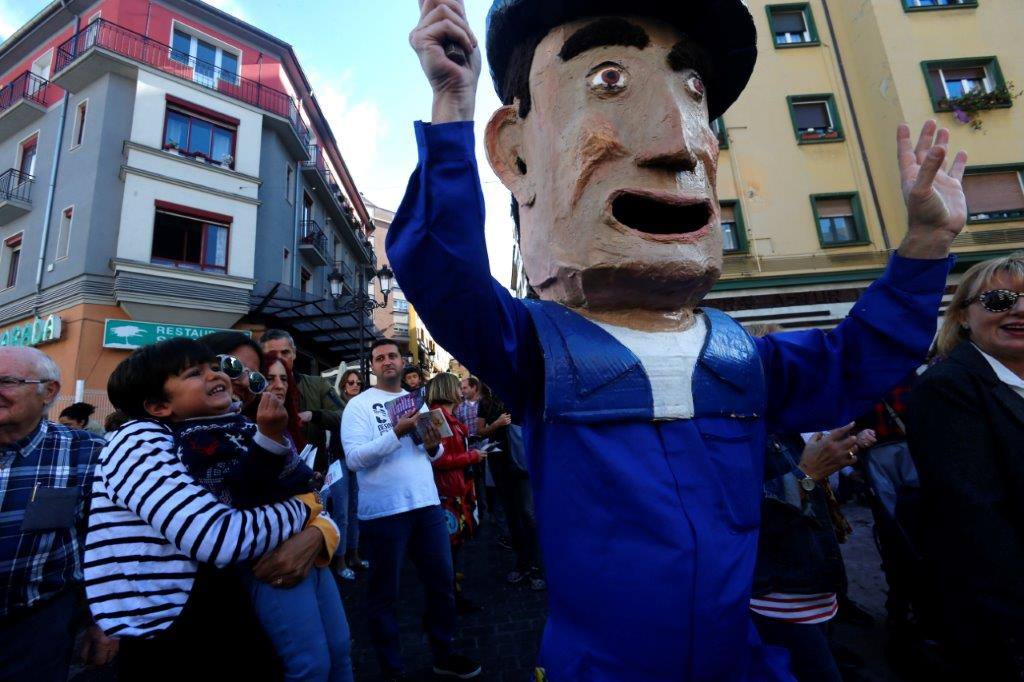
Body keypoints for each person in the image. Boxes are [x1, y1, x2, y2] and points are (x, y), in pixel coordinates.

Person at [391, 1, 965, 677]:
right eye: (609, 81)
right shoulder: (542, 350)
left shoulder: (737, 356)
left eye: (696, 95)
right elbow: (442, 274)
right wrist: (452, 103)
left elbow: (856, 362)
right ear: (516, 152)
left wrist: (925, 245)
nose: (678, 142)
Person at [88, 339, 338, 680]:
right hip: (176, 633)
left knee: (336, 652)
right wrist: (307, 513)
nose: (230, 379)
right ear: (158, 404)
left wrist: (319, 522)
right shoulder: (144, 438)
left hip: (225, 611)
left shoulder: (234, 429)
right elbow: (220, 536)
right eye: (230, 366)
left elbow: (302, 487)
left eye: (252, 375)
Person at [906, 251, 1024, 678]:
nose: (1020, 309)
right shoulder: (947, 387)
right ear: (962, 316)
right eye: (999, 300)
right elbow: (977, 522)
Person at [341, 339, 480, 680]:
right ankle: (393, 669)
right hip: (383, 514)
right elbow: (355, 459)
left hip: (427, 505)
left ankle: (442, 652)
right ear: (371, 366)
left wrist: (432, 445)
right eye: (379, 358)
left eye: (392, 356)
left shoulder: (418, 403)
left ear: (403, 362)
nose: (387, 362)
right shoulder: (358, 406)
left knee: (442, 584)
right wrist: (396, 432)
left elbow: (430, 456)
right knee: (384, 596)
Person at [0, 347, 113, 682]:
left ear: (48, 391)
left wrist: (102, 623)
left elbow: (107, 543)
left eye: (6, 381)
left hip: (34, 629)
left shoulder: (88, 453)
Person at [751, 425, 866, 682]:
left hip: (814, 589)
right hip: (779, 600)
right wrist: (806, 475)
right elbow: (737, 515)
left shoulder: (785, 422)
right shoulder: (742, 425)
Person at [425, 373, 485, 612]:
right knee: (449, 547)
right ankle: (450, 598)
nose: (461, 391)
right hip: (448, 491)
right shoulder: (438, 418)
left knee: (455, 546)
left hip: (457, 487)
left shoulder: (448, 416)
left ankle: (452, 592)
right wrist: (473, 456)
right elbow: (439, 460)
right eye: (457, 387)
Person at [478, 382, 544, 590]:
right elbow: (480, 431)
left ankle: (537, 565)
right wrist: (496, 424)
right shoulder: (486, 402)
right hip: (500, 465)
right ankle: (523, 563)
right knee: (512, 516)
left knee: (528, 514)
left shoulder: (519, 395)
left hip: (522, 463)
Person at [261, 330, 345, 475]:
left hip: (314, 473)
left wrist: (314, 415)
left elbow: (346, 415)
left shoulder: (318, 385)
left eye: (285, 352)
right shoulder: (254, 388)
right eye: (273, 354)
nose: (280, 358)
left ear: (294, 353)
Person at [330, 367, 365, 580]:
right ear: (343, 384)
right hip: (338, 460)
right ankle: (340, 560)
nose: (354, 385)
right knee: (341, 514)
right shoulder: (336, 404)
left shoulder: (361, 406)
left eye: (358, 383)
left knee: (355, 511)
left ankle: (354, 555)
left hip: (357, 461)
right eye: (350, 382)